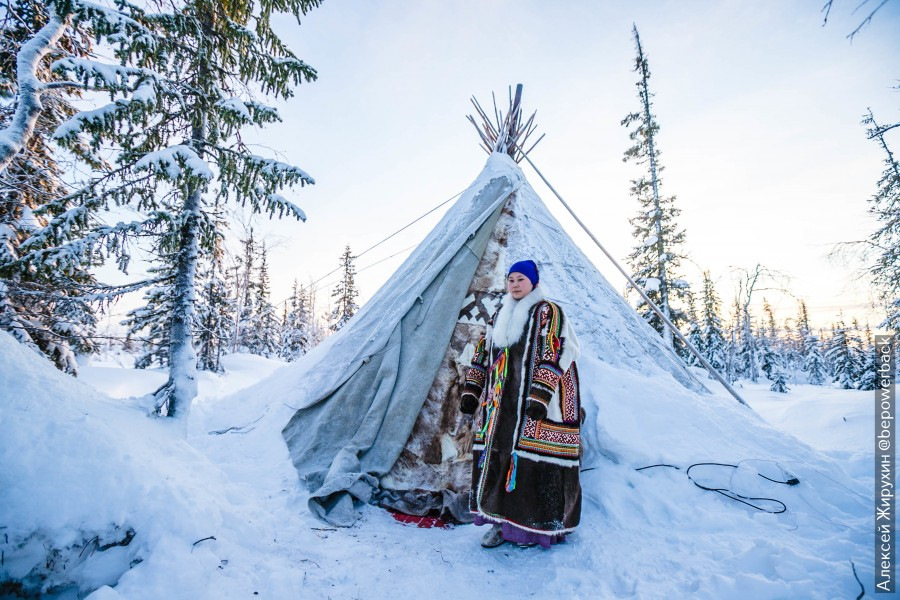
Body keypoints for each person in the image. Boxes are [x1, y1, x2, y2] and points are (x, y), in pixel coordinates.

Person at [459, 259, 582, 549]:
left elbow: (557, 350)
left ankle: (528, 531)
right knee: (500, 461)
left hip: (537, 405)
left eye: (521, 280)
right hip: (501, 407)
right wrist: (473, 390)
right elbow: (483, 352)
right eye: (511, 280)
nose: (514, 285)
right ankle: (500, 524)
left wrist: (540, 395)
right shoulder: (500, 313)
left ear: (533, 283)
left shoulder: (548, 311)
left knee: (532, 465)